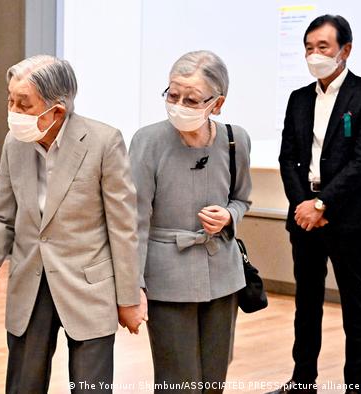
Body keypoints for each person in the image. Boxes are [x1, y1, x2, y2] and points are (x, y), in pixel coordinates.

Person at [0, 55, 147, 394]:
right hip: (30, 286)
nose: (12, 111)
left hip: (89, 288)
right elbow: (2, 218)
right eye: (10, 100)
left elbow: (123, 227)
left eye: (23, 104)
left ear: (56, 111)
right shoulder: (15, 143)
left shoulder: (104, 142)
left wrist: (129, 298)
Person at [129, 50, 251, 394]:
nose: (178, 104)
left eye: (191, 99)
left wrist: (229, 215)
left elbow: (242, 199)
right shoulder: (148, 141)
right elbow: (134, 221)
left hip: (224, 277)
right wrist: (133, 286)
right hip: (167, 278)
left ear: (218, 102)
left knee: (214, 381)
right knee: (177, 383)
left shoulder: (235, 139)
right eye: (172, 94)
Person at [274, 15, 361, 394]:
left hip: (350, 220)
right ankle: (302, 382)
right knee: (306, 305)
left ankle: (355, 387)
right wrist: (303, 205)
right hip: (304, 219)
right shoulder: (298, 98)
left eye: (323, 47)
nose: (315, 55)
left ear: (345, 50)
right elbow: (287, 157)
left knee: (359, 311)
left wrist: (323, 204)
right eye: (309, 48)